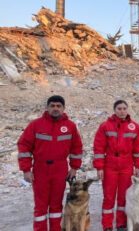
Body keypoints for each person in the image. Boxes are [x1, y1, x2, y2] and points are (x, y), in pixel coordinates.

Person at [17, 95, 83, 231]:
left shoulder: (70, 126)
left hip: (60, 168)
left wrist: (74, 168)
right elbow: (23, 146)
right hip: (40, 169)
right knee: (40, 206)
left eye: (58, 106)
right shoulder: (35, 125)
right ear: (47, 108)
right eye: (52, 106)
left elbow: (76, 148)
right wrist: (26, 169)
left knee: (56, 205)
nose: (55, 108)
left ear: (63, 108)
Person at [93, 100, 139, 231]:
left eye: (124, 108)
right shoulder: (105, 126)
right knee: (109, 197)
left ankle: (121, 223)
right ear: (114, 110)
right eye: (119, 108)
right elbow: (99, 148)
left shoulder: (135, 127)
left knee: (123, 197)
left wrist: (137, 166)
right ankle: (107, 225)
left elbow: (138, 149)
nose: (122, 111)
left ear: (127, 110)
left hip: (126, 166)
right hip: (110, 165)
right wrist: (99, 167)